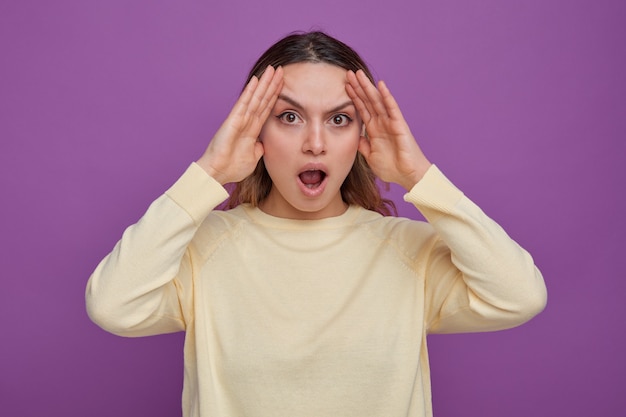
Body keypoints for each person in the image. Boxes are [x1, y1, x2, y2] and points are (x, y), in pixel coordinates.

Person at [86, 31, 547, 417]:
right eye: (289, 117)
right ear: (255, 132)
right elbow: (113, 306)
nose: (315, 143)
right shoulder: (203, 249)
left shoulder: (409, 252)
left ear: (361, 137)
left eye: (340, 119)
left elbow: (519, 295)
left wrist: (418, 175)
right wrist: (208, 172)